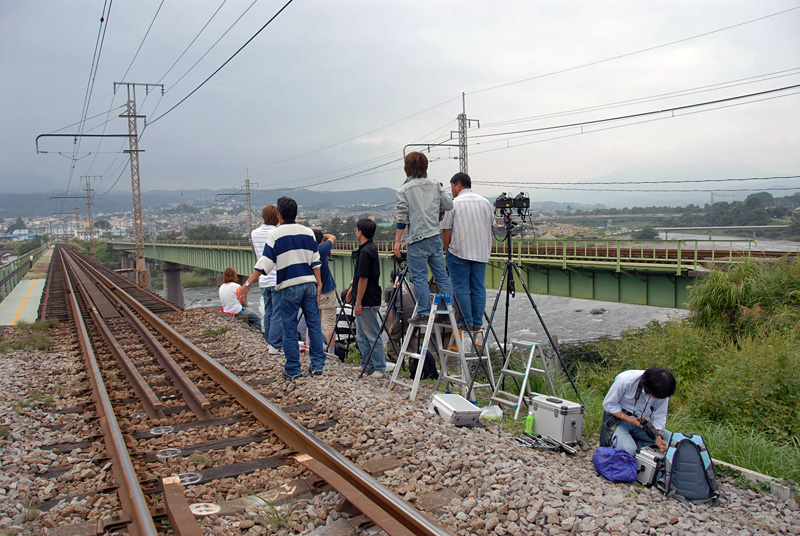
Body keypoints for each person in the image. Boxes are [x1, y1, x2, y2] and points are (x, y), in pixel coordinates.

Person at [239, 197, 326, 380]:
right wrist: (318, 285)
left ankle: (294, 369)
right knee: (314, 325)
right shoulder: (308, 233)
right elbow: (316, 261)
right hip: (309, 284)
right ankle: (317, 366)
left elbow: (266, 263)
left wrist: (248, 283)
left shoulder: (276, 234)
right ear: (296, 213)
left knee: (289, 327)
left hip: (289, 286)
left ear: (279, 215)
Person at [393, 151, 454, 325]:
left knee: (419, 277)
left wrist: (398, 242)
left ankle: (424, 313)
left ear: (407, 169)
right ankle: (447, 311)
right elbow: (449, 204)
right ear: (425, 166)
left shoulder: (404, 190)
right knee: (442, 275)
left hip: (417, 239)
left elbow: (401, 218)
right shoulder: (435, 185)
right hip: (435, 236)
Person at [440, 172, 494, 331]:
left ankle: (466, 322)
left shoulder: (454, 203)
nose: (452, 191)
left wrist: (446, 248)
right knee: (479, 287)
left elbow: (446, 230)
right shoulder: (486, 203)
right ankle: (477, 322)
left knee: (460, 287)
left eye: (452, 188)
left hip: (459, 251)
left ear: (458, 185)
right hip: (481, 252)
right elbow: (490, 227)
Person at [601, 367, 675, 456]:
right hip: (619, 420)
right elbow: (608, 404)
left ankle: (634, 444)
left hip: (643, 424)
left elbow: (660, 415)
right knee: (629, 450)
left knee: (674, 442)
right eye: (655, 396)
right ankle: (629, 445)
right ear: (648, 389)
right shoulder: (625, 380)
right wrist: (630, 420)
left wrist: (658, 436)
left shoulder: (663, 390)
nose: (657, 398)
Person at [347, 218, 386, 378]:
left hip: (367, 300)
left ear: (360, 232)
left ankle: (379, 367)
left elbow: (363, 278)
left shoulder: (365, 252)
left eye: (357, 230)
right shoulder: (369, 248)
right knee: (362, 334)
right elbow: (358, 277)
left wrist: (358, 302)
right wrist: (351, 288)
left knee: (371, 334)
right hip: (366, 297)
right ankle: (367, 364)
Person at [251, 205, 282, 355]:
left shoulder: (254, 234)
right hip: (277, 277)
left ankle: (269, 341)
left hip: (263, 277)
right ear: (277, 216)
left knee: (268, 312)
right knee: (278, 312)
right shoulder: (277, 233)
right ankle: (274, 345)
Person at [384, 268, 417, 364]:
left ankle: (397, 361)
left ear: (391, 279)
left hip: (403, 315)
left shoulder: (390, 288)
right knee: (411, 336)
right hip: (416, 314)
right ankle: (416, 361)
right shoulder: (412, 285)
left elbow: (390, 308)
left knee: (392, 338)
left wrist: (393, 325)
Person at [313, 229, 338, 350]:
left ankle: (309, 347)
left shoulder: (307, 252)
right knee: (329, 324)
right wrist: (323, 236)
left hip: (312, 292)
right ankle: (331, 352)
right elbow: (332, 237)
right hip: (327, 290)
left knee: (312, 323)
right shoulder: (322, 250)